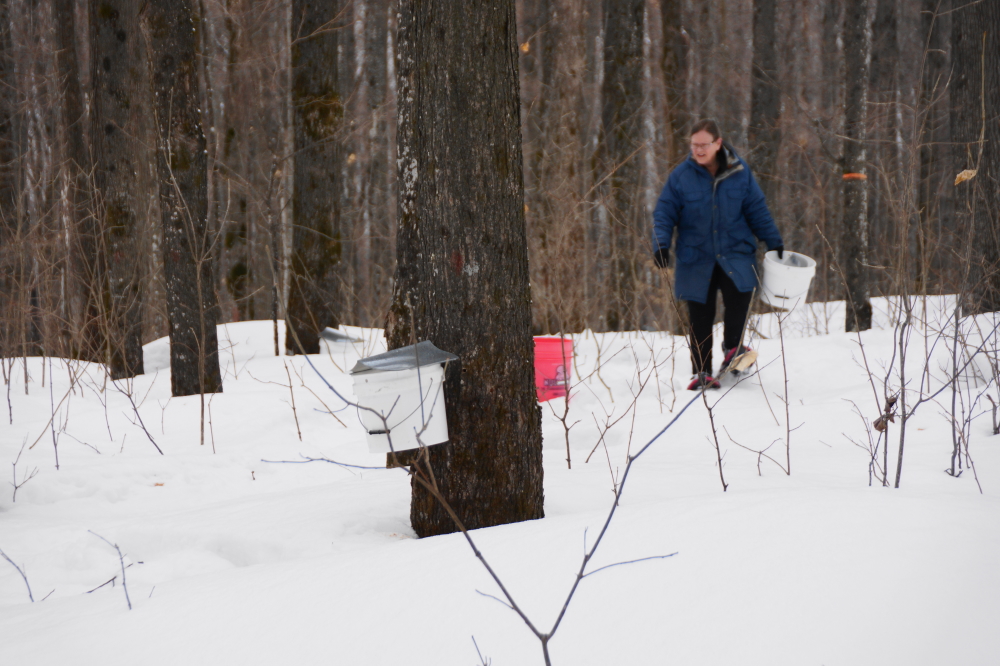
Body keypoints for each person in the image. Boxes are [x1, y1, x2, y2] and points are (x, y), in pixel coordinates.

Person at [652, 119, 784, 390]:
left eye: (704, 145)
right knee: (700, 315)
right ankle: (701, 371)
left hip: (736, 252)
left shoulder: (740, 172)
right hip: (695, 257)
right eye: (694, 145)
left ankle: (733, 351)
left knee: (739, 300)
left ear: (718, 143)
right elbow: (664, 213)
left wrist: (773, 241)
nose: (698, 150)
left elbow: (757, 209)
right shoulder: (681, 176)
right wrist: (661, 245)